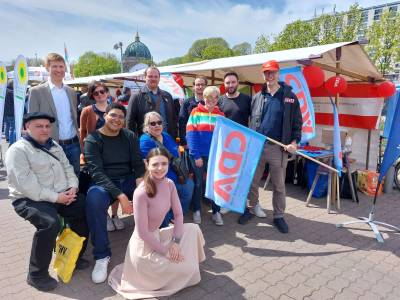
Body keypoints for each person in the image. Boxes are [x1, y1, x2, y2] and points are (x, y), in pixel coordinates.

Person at [5, 112, 89, 291]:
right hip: (28, 199)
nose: (44, 129)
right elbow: (27, 186)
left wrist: (73, 187)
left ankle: (73, 256)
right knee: (49, 224)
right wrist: (57, 197)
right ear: (27, 127)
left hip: (61, 194)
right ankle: (36, 275)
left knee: (85, 207)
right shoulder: (17, 150)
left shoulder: (54, 145)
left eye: (47, 126)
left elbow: (68, 167)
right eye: (39, 126)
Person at [108, 147, 205, 299]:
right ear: (147, 164)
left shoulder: (170, 184)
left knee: (193, 229)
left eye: (164, 164)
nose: (160, 168)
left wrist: (175, 242)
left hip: (158, 236)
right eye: (155, 164)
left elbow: (179, 215)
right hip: (143, 249)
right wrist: (165, 251)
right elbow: (143, 233)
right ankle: (181, 266)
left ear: (168, 164)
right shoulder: (140, 193)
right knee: (184, 267)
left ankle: (185, 263)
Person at [84, 103, 145, 284]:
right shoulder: (93, 139)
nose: (117, 119)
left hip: (128, 179)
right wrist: (121, 195)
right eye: (113, 115)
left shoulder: (129, 136)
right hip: (104, 183)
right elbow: (96, 172)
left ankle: (155, 241)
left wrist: (141, 185)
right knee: (94, 200)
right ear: (105, 116)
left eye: (120, 117)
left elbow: (137, 164)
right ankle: (102, 256)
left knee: (154, 191)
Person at [248, 60, 302, 233]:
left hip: (278, 148)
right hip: (257, 146)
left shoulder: (289, 97)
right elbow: (252, 121)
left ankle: (279, 216)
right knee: (253, 181)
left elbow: (297, 123)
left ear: (278, 74)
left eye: (272, 72)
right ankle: (251, 208)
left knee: (278, 185)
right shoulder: (258, 97)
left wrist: (294, 142)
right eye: (266, 73)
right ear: (263, 75)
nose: (269, 76)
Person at [218, 71, 267, 224]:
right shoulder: (220, 101)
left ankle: (254, 204)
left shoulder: (247, 100)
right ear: (224, 84)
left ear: (237, 82)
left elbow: (255, 120)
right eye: (227, 83)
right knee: (229, 175)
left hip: (245, 145)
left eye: (233, 82)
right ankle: (227, 202)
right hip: (227, 146)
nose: (230, 85)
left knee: (249, 176)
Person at [80, 81, 124, 232]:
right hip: (96, 153)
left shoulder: (115, 107)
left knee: (116, 181)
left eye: (102, 91)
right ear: (92, 95)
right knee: (102, 184)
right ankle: (104, 215)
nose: (100, 94)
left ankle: (115, 215)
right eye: (96, 92)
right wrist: (84, 153)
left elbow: (122, 128)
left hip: (115, 152)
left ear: (107, 92)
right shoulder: (87, 111)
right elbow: (83, 134)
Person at [28, 53, 80, 175]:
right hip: (49, 146)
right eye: (54, 66)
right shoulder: (36, 92)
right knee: (53, 181)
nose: (58, 70)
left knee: (74, 180)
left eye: (61, 66)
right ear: (47, 68)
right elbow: (32, 122)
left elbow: (73, 119)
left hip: (73, 145)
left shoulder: (71, 92)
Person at [140, 111, 194, 223]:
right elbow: (148, 164)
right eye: (152, 123)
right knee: (163, 204)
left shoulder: (166, 135)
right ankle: (165, 220)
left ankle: (176, 216)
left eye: (159, 122)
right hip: (160, 179)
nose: (157, 126)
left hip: (178, 175)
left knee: (189, 187)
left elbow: (176, 152)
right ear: (146, 126)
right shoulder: (145, 141)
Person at [186, 86, 225, 226]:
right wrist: (196, 156)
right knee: (198, 183)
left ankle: (216, 212)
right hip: (198, 156)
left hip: (214, 156)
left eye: (215, 97)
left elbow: (223, 137)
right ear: (204, 98)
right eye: (208, 97)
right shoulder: (195, 113)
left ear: (217, 99)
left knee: (215, 184)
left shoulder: (221, 115)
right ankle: (196, 210)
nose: (211, 100)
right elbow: (191, 135)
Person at [126, 66, 178, 138]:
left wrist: (174, 136)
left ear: (159, 78)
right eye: (150, 76)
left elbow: (174, 119)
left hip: (167, 140)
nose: (153, 79)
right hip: (147, 141)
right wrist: (133, 142)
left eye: (156, 76)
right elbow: (129, 122)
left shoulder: (167, 96)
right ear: (145, 78)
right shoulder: (136, 97)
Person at [178, 76, 207, 147]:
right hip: (191, 141)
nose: (200, 87)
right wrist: (184, 142)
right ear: (193, 87)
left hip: (207, 141)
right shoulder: (186, 103)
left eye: (202, 84)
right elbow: (182, 122)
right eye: (197, 85)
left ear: (206, 86)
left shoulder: (211, 103)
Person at [4, 80, 15, 144]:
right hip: (11, 112)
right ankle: (11, 141)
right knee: (12, 127)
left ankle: (7, 138)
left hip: (5, 112)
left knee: (7, 125)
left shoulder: (4, 91)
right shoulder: (11, 92)